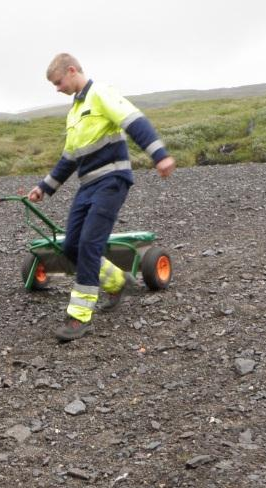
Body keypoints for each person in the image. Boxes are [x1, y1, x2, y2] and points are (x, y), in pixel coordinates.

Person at [28, 53, 176, 342]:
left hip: (112, 180)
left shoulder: (100, 94)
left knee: (89, 244)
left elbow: (134, 121)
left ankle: (79, 318)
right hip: (88, 186)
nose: (57, 88)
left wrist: (159, 154)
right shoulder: (74, 112)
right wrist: (44, 187)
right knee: (70, 246)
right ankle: (117, 281)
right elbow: (69, 158)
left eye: (58, 82)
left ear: (72, 71)